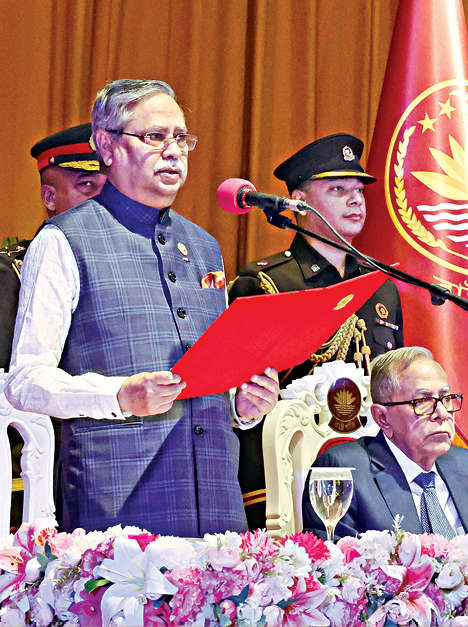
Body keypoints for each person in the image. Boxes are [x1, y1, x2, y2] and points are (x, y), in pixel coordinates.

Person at [4, 79, 279, 536]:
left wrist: (243, 405)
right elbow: (25, 382)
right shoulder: (64, 240)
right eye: (155, 136)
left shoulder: (205, 246)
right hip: (118, 509)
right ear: (107, 145)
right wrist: (119, 396)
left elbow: (210, 377)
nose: (173, 152)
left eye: (181, 138)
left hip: (217, 506)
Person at [228, 133, 403, 529]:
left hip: (370, 484)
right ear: (299, 201)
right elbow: (243, 403)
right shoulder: (266, 282)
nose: (355, 200)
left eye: (359, 190)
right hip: (287, 485)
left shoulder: (381, 287)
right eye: (338, 189)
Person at [1, 124, 105, 532]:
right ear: (49, 197)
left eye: (110, 188)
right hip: (30, 490)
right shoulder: (10, 274)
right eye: (86, 186)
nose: (101, 202)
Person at [302, 346, 468, 539]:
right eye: (423, 401)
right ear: (383, 418)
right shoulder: (342, 472)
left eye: (446, 398)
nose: (442, 413)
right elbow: (335, 563)